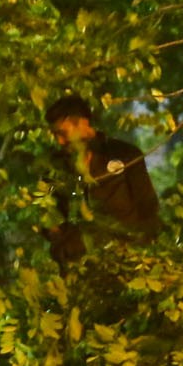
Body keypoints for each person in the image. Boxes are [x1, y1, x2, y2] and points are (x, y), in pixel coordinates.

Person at [42, 95, 160, 266]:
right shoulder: (54, 169)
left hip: (129, 258)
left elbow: (148, 206)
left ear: (83, 124)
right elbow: (50, 219)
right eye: (55, 135)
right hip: (79, 263)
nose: (59, 141)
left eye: (62, 133)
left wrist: (148, 252)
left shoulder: (125, 154)